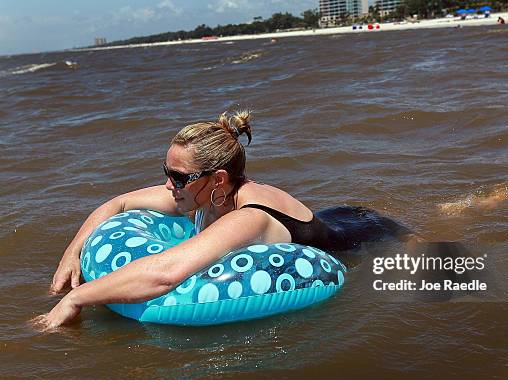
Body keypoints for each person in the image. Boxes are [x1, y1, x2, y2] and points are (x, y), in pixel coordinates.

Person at [33, 111, 416, 331]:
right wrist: (72, 253)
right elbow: (116, 204)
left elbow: (164, 275)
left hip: (362, 232)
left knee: (444, 223)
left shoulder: (248, 219)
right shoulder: (199, 192)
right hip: (330, 216)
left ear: (217, 180)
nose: (169, 185)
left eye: (179, 177)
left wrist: (76, 298)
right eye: (166, 171)